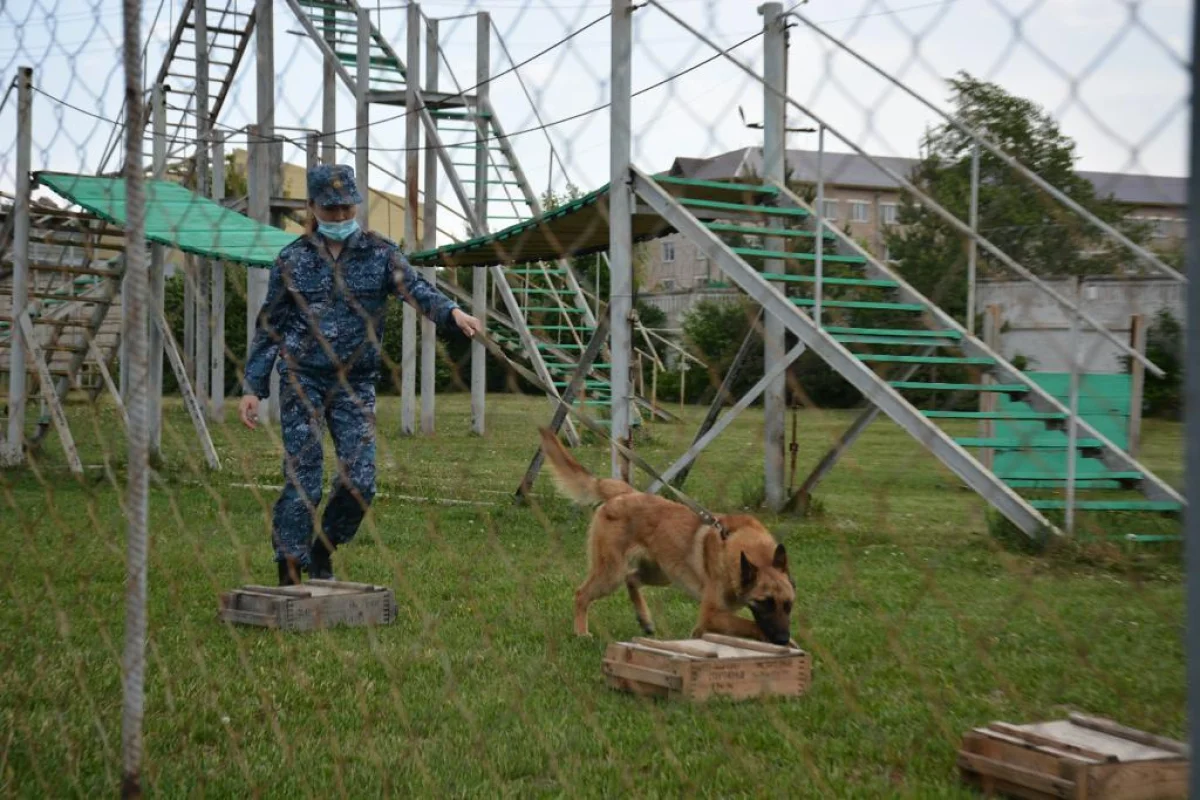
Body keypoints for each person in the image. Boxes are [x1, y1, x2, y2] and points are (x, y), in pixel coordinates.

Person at [239, 164, 484, 586]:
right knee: (305, 476)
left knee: (361, 481)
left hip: (356, 381)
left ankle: (323, 548)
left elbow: (417, 289)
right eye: (330, 210)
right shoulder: (292, 260)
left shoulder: (380, 253)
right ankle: (290, 566)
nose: (339, 217)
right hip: (302, 377)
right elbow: (270, 325)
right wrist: (253, 387)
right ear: (313, 208)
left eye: (346, 208)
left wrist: (452, 312)